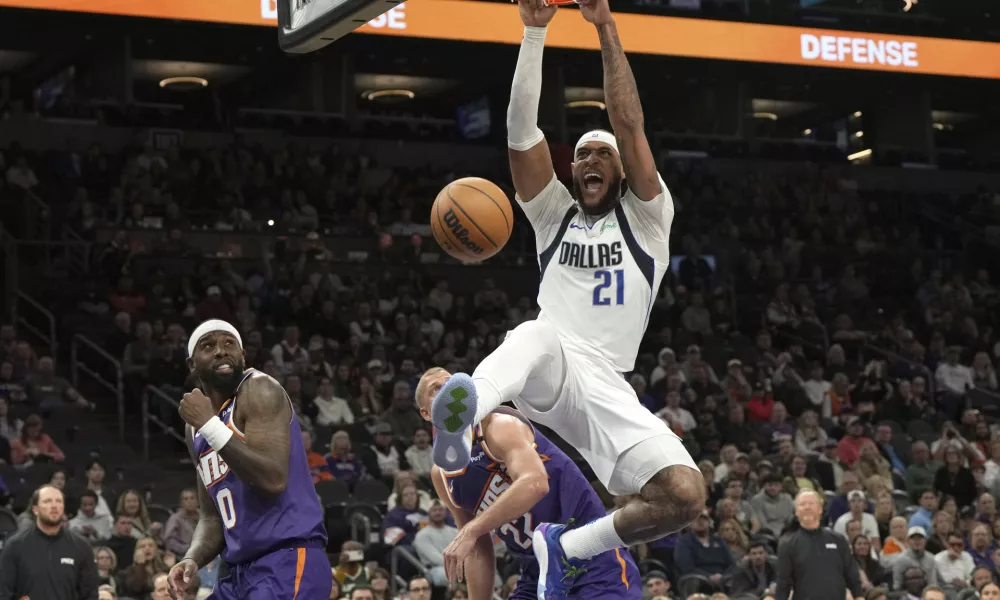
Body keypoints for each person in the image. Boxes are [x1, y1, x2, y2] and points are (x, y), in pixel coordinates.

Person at [427, 2, 703, 594]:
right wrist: (533, 32)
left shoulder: (650, 218)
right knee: (536, 332)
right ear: (572, 172)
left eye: (601, 153)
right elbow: (521, 133)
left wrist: (605, 25)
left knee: (684, 494)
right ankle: (466, 417)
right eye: (581, 155)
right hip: (551, 363)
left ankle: (570, 547)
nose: (590, 161)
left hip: (608, 383)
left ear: (622, 170)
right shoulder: (553, 215)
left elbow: (629, 123)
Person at [416, 368, 641, 599]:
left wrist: (473, 529)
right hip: (537, 571)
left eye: (452, 384)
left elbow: (535, 483)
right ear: (425, 413)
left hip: (590, 556)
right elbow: (475, 545)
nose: (447, 390)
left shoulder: (499, 425)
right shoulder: (441, 475)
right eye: (436, 389)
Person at [166, 320, 332, 599]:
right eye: (208, 346)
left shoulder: (259, 390)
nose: (221, 351)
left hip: (288, 560)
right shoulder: (195, 427)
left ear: (243, 356)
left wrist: (210, 425)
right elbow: (211, 516)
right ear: (192, 364)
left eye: (229, 343)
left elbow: (273, 478)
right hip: (242, 572)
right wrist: (191, 559)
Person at [0, 484, 100, 599]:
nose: (54, 506)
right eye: (47, 501)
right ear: (35, 509)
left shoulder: (81, 546)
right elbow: (4, 592)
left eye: (58, 501)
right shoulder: (15, 546)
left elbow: (90, 594)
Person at [776, 490, 863, 600]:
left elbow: (852, 574)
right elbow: (783, 583)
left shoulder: (838, 539)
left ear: (820, 509)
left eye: (811, 503)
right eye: (802, 504)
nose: (807, 507)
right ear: (796, 512)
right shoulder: (787, 544)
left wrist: (859, 596)